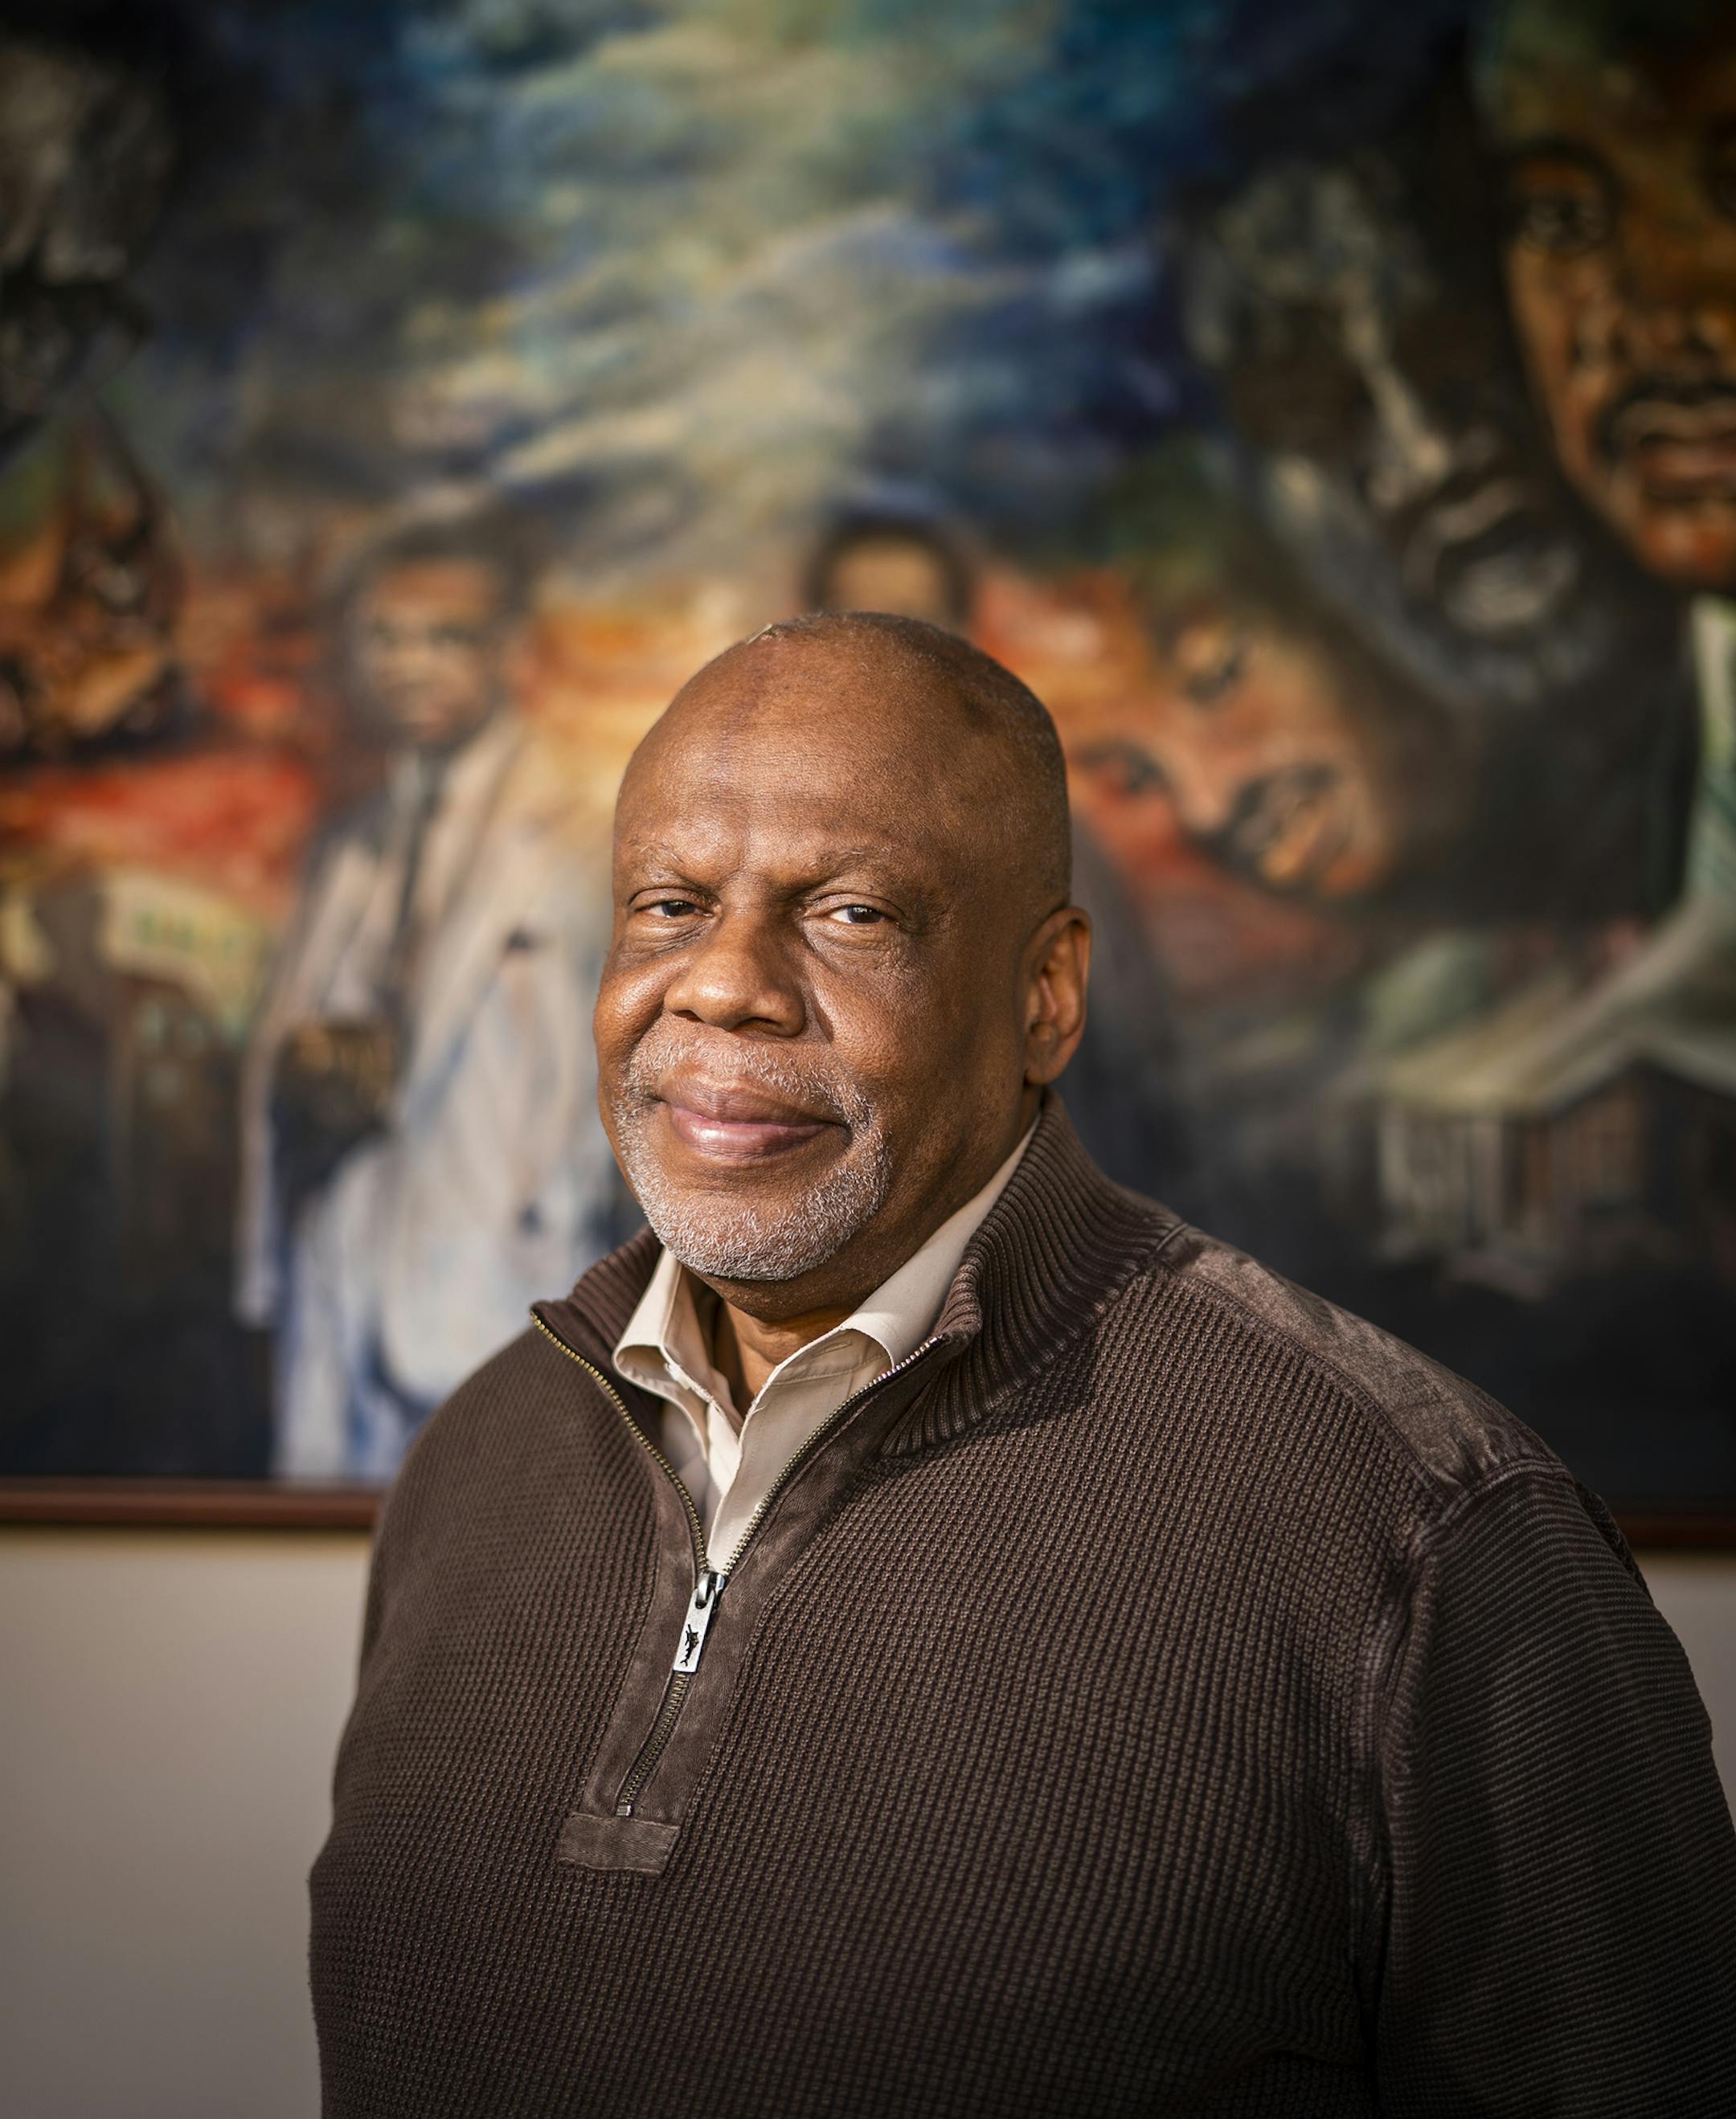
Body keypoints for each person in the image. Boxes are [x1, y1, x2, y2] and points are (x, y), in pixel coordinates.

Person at [312, 612, 1734, 2114]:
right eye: (668, 904)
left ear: (1047, 994)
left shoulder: (1428, 1534)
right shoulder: (480, 1457)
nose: (724, 986)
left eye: (852, 912)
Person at [235, 516, 616, 1479]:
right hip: (345, 1270)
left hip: (499, 1273)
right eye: (386, 638)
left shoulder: (582, 832)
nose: (410, 665)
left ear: (508, 651)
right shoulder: (354, 843)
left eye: (445, 638)